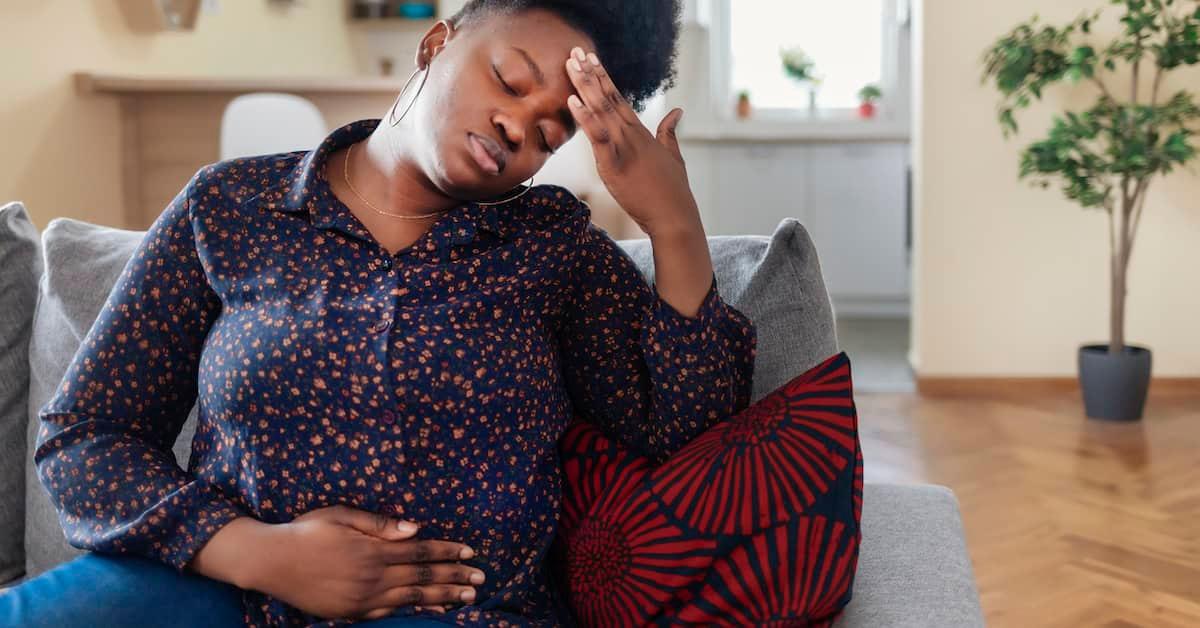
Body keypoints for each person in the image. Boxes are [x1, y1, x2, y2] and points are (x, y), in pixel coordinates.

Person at [2, 0, 758, 626]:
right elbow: (85, 437)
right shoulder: (229, 205)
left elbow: (686, 432)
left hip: (459, 615)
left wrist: (675, 226)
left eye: (552, 130)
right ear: (436, 44)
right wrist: (257, 553)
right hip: (208, 591)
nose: (520, 125)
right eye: (510, 80)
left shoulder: (551, 246)